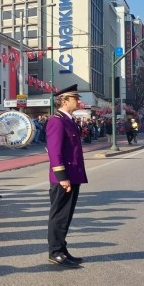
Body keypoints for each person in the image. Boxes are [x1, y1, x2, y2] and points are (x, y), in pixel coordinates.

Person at [46, 84, 88, 269]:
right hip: (63, 177)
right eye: (75, 98)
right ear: (64, 100)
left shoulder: (69, 120)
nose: (78, 101)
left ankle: (62, 249)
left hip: (73, 175)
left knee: (67, 215)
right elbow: (54, 152)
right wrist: (62, 176)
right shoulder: (56, 121)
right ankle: (55, 252)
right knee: (59, 215)